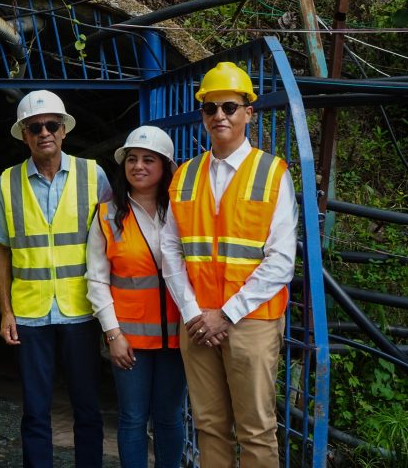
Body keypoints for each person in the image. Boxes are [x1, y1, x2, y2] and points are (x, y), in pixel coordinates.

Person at [160, 61, 298, 468]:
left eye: (230, 107)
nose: (219, 115)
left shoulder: (272, 173)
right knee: (209, 425)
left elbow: (281, 260)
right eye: (210, 108)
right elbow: (171, 251)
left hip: (250, 320)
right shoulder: (185, 175)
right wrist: (193, 312)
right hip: (198, 321)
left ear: (248, 112)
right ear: (202, 114)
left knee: (256, 430)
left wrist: (227, 314)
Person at [0, 90, 112, 468]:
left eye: (51, 125)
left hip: (81, 310)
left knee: (87, 407)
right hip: (30, 313)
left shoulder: (94, 175)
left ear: (63, 131)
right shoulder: (6, 183)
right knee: (35, 410)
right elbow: (0, 250)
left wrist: (111, 311)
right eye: (35, 127)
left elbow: (114, 241)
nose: (44, 132)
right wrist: (5, 312)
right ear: (24, 135)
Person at [86, 126, 186, 468]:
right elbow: (97, 280)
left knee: (170, 418)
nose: (138, 166)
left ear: (165, 167)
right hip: (128, 341)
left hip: (177, 337)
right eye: (132, 159)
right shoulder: (107, 214)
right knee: (132, 418)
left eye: (148, 159)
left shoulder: (181, 211)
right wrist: (112, 334)